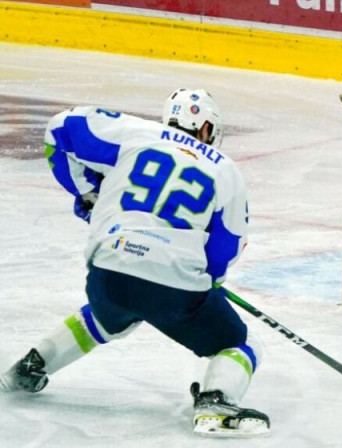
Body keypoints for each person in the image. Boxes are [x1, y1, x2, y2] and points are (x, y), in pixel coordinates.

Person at [0, 89, 270, 436]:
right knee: (239, 344)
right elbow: (228, 245)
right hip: (174, 285)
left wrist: (87, 193)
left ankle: (31, 366)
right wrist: (211, 280)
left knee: (110, 316)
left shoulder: (133, 133)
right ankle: (216, 402)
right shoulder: (225, 170)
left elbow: (60, 129)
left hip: (109, 270)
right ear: (205, 128)